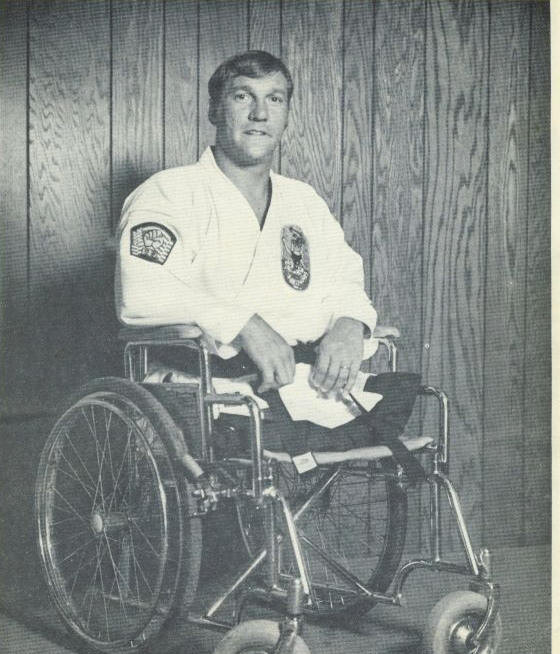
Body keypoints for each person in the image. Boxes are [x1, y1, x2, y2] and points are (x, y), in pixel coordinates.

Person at [116, 50, 422, 477]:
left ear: (286, 115)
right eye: (243, 96)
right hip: (212, 391)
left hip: (304, 385)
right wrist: (244, 324)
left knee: (402, 422)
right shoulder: (168, 193)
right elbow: (141, 293)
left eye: (274, 99)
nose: (260, 113)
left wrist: (351, 323)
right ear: (214, 109)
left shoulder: (303, 201)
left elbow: (345, 280)